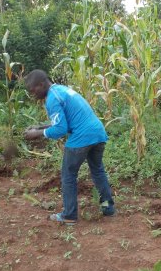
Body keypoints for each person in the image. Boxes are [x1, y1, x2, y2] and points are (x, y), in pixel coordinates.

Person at [23, 69, 115, 226]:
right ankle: (108, 208)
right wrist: (39, 127)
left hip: (82, 137)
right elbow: (66, 120)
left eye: (33, 90)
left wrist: (37, 134)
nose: (33, 94)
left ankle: (69, 215)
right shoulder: (62, 90)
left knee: (68, 175)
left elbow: (60, 129)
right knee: (98, 171)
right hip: (97, 133)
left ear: (41, 84)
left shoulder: (52, 99)